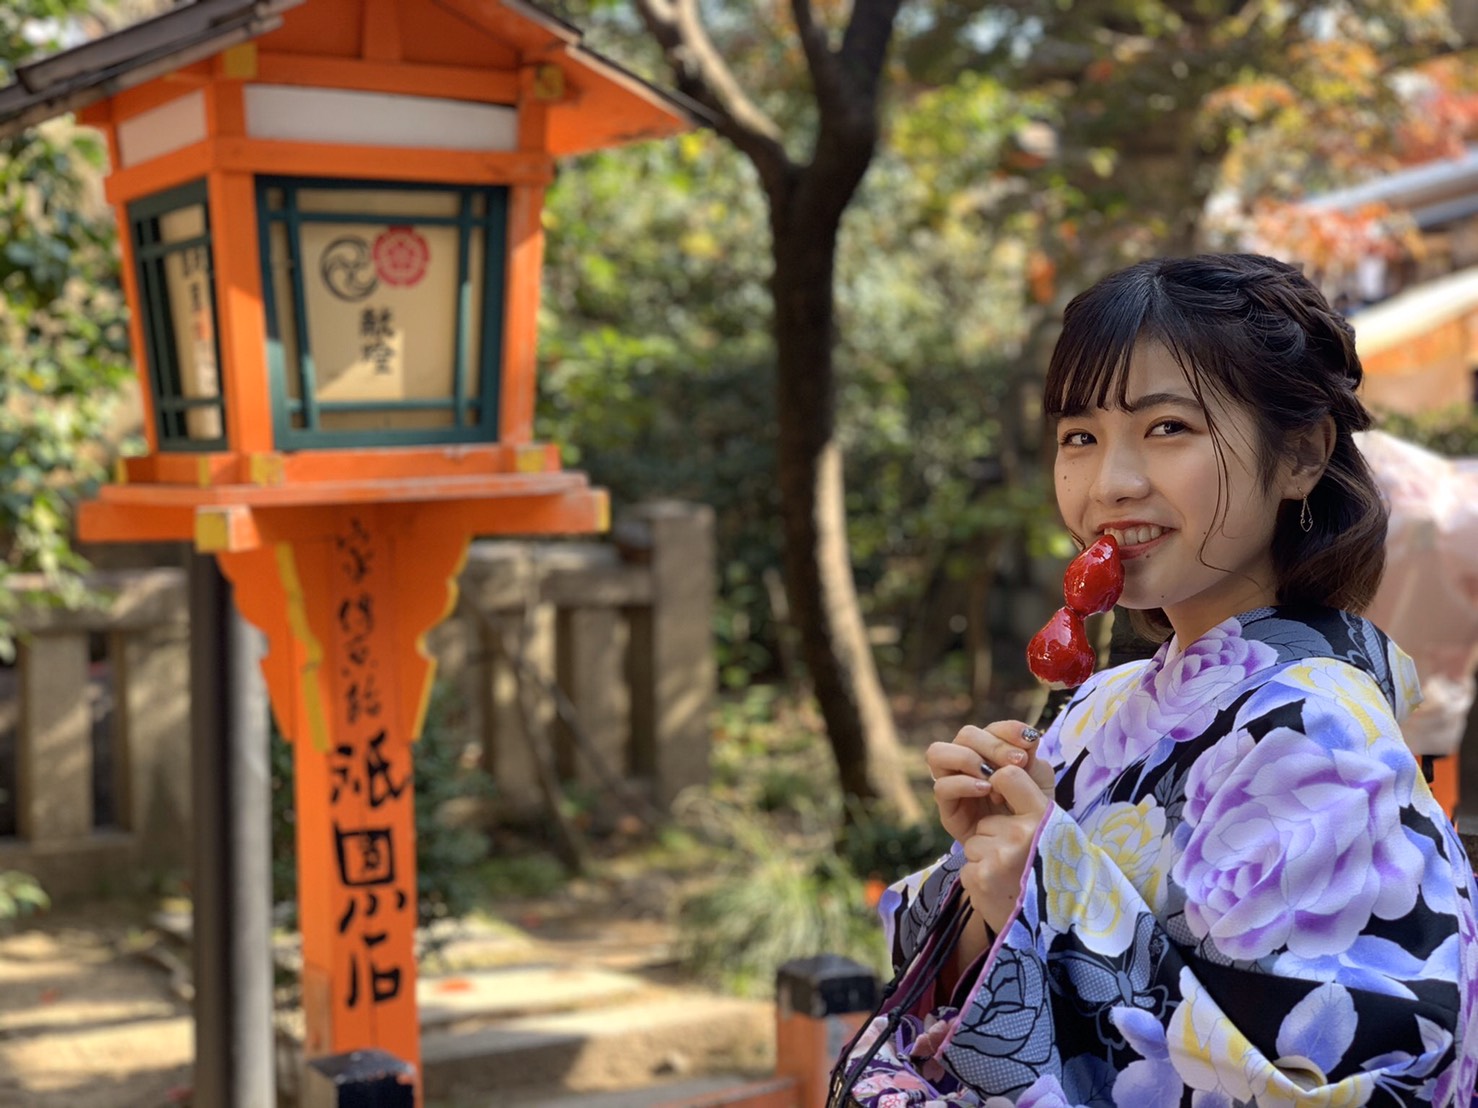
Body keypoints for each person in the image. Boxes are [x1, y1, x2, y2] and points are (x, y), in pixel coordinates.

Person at [839, 254, 1478, 1107]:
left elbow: (1335, 1078)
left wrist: (1048, 887)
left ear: (1302, 454)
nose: (1112, 483)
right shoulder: (1103, 702)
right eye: (1080, 438)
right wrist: (990, 879)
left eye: (1168, 428)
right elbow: (983, 951)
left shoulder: (1319, 738)